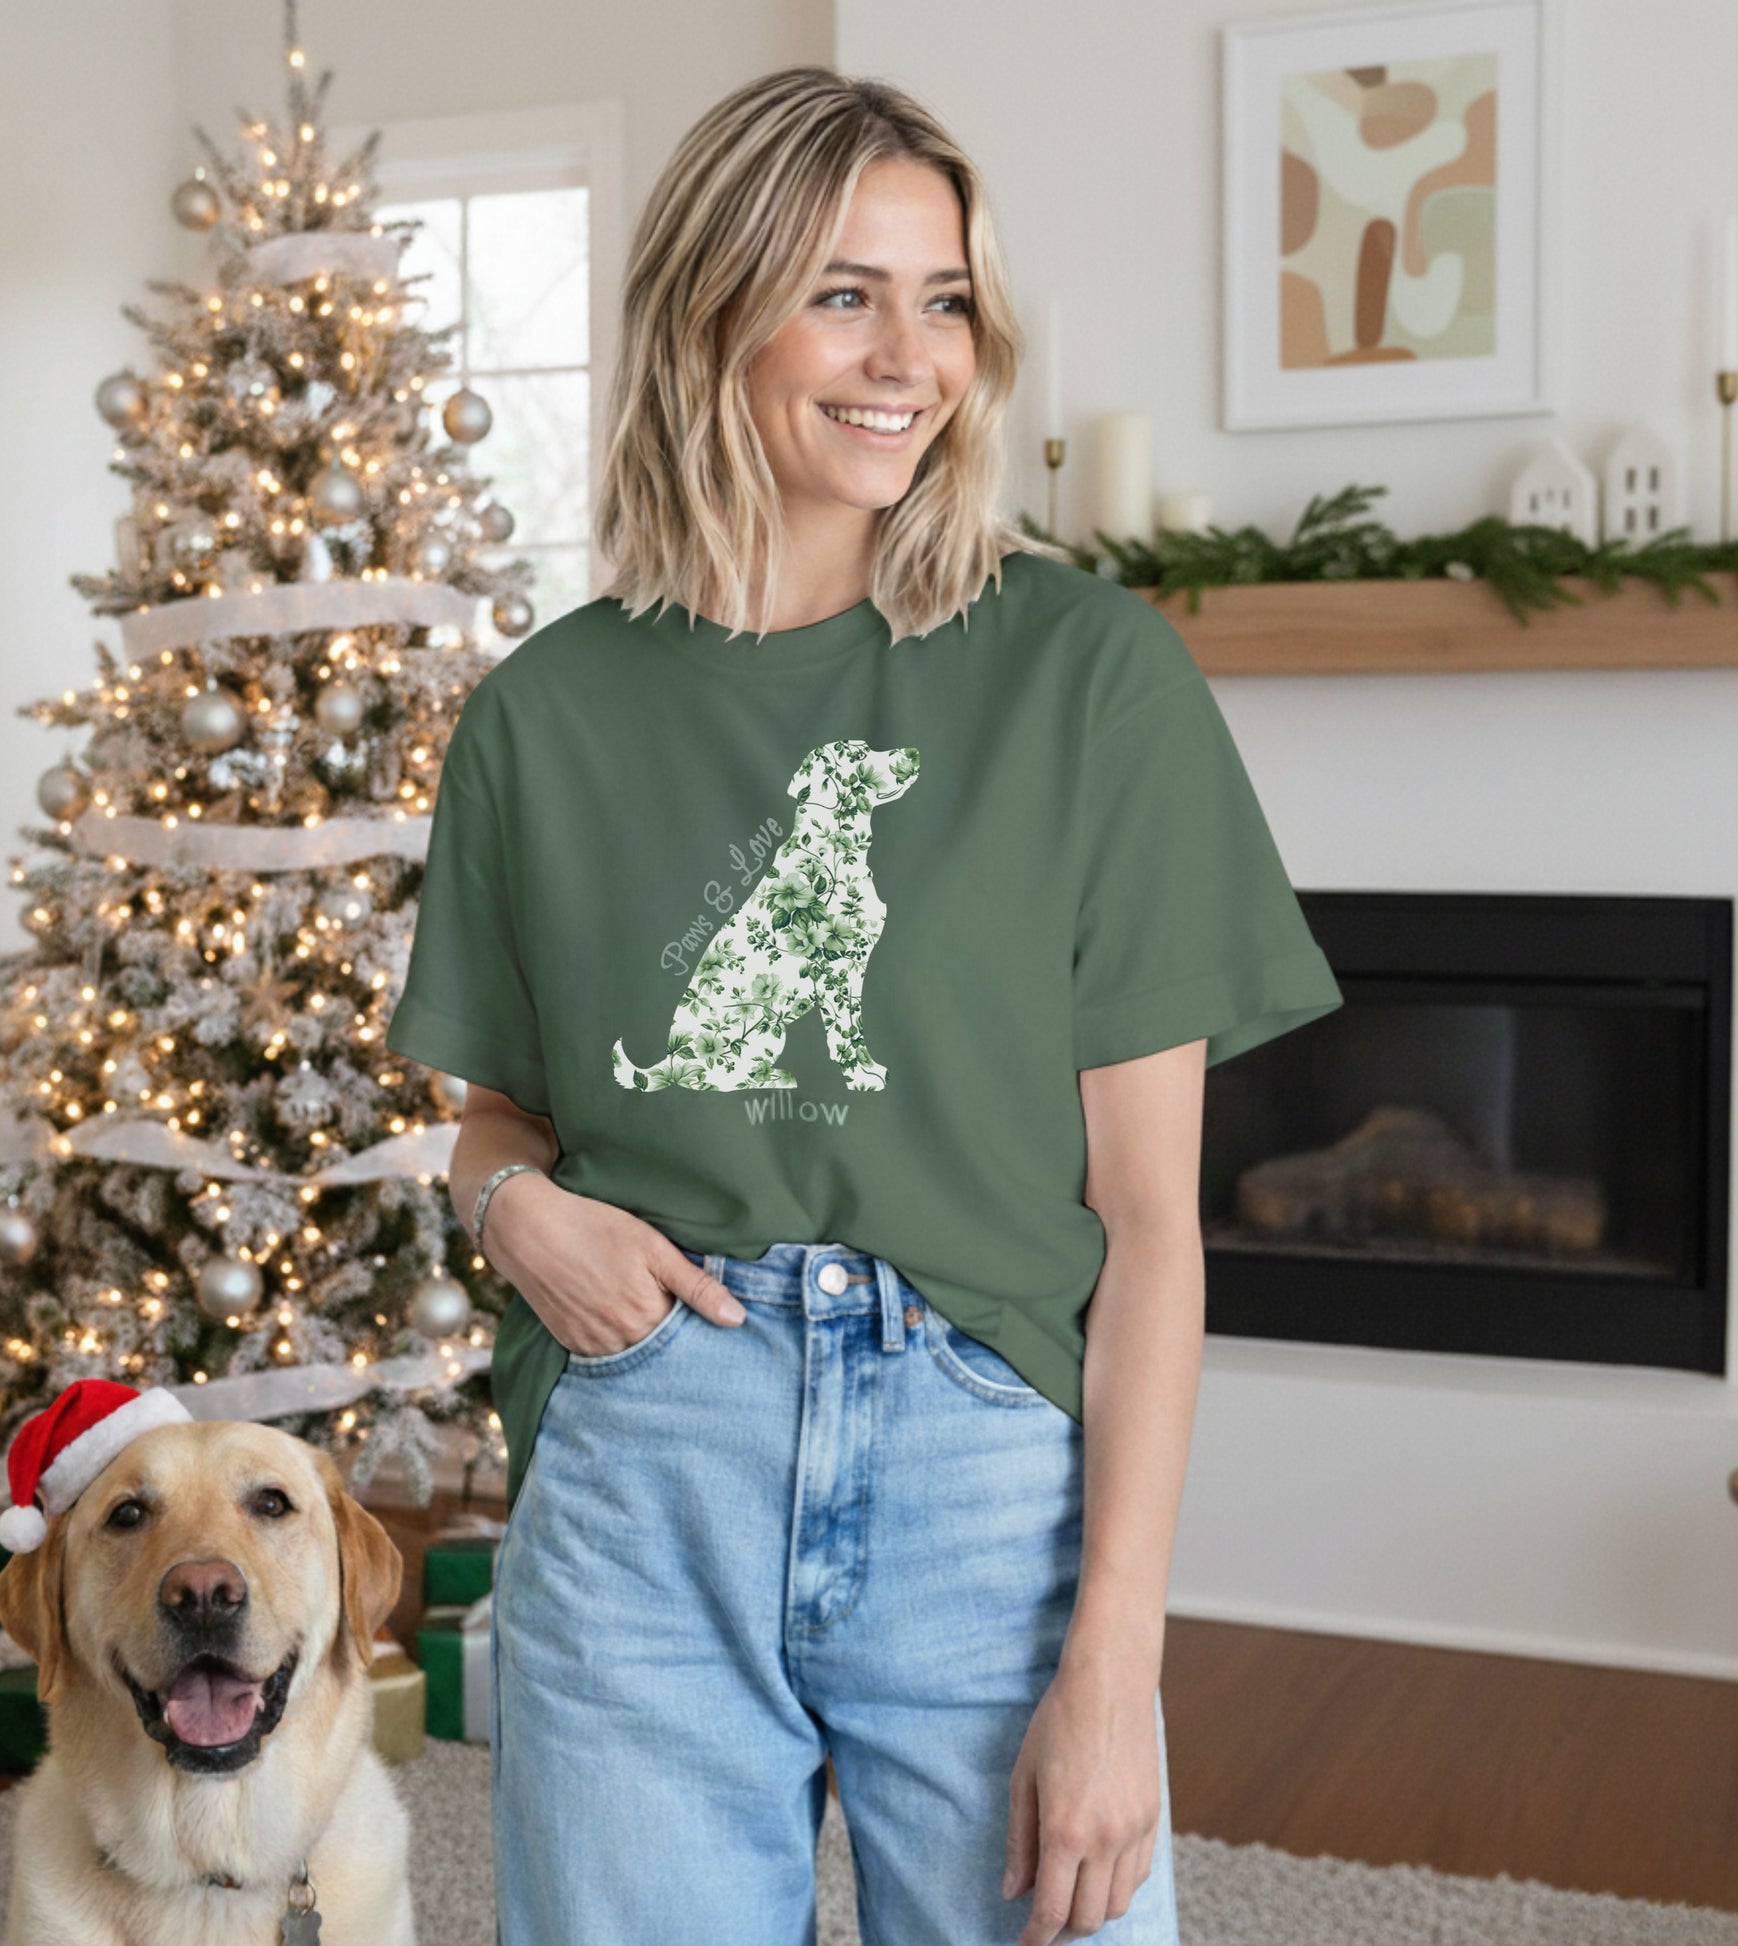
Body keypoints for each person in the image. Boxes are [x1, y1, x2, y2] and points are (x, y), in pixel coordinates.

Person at [384, 65, 1343, 1946]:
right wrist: (504, 1205)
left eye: (946, 298)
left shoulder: (1085, 676)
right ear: (710, 310)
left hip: (986, 1468)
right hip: (647, 1456)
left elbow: (1150, 1226)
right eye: (843, 291)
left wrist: (1112, 1666)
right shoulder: (542, 717)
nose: (908, 353)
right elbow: (501, 1115)